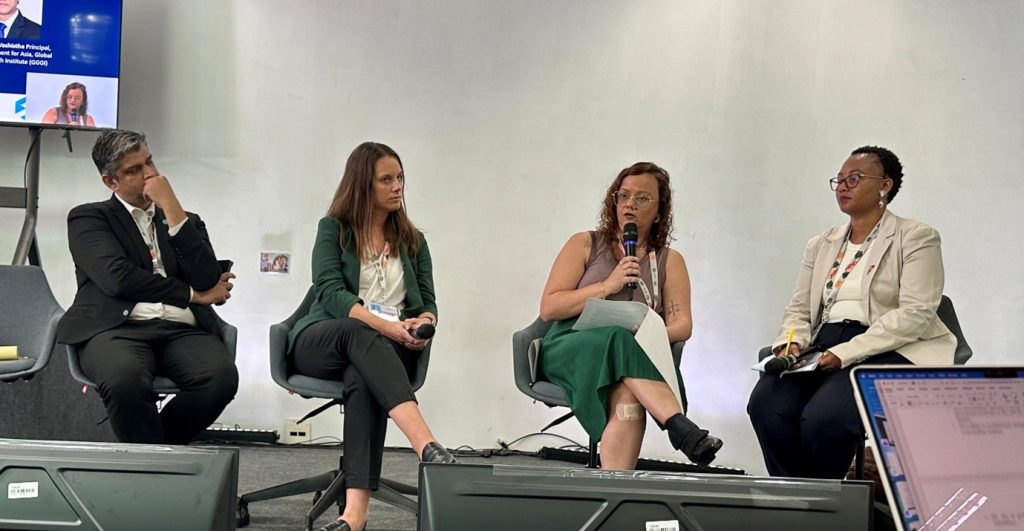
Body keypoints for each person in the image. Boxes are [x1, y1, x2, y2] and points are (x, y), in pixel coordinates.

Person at [747, 146, 956, 479]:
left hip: (892, 346)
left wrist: (844, 354)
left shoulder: (917, 237)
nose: (843, 186)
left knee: (824, 419)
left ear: (885, 185)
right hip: (826, 343)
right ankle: (800, 503)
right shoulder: (821, 243)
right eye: (839, 180)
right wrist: (791, 342)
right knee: (766, 406)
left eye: (854, 178)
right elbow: (799, 308)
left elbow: (916, 314)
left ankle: (829, 510)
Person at [289, 142, 455, 531]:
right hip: (323, 339)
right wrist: (386, 326)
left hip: (384, 349)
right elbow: (330, 291)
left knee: (362, 375)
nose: (397, 186)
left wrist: (422, 323)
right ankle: (425, 446)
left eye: (400, 178)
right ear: (363, 185)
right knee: (359, 332)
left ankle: (355, 516)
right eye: (386, 179)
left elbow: (428, 302)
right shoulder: (333, 229)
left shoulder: (414, 241)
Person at [55, 129, 239, 445]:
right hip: (115, 328)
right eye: (134, 170)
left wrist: (173, 209)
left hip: (181, 329)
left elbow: (208, 278)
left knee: (220, 379)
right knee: (124, 380)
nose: (150, 174)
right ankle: (154, 465)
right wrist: (192, 295)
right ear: (110, 182)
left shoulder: (185, 220)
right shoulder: (89, 218)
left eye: (150, 162)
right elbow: (118, 278)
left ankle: (154, 454)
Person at [537, 162, 723, 470]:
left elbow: (682, 325)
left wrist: (644, 332)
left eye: (641, 198)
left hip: (627, 354)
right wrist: (607, 286)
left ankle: (614, 491)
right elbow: (550, 307)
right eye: (623, 196)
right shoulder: (585, 243)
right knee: (618, 337)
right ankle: (678, 426)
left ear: (660, 210)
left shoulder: (669, 261)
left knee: (628, 391)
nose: (630, 205)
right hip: (570, 345)